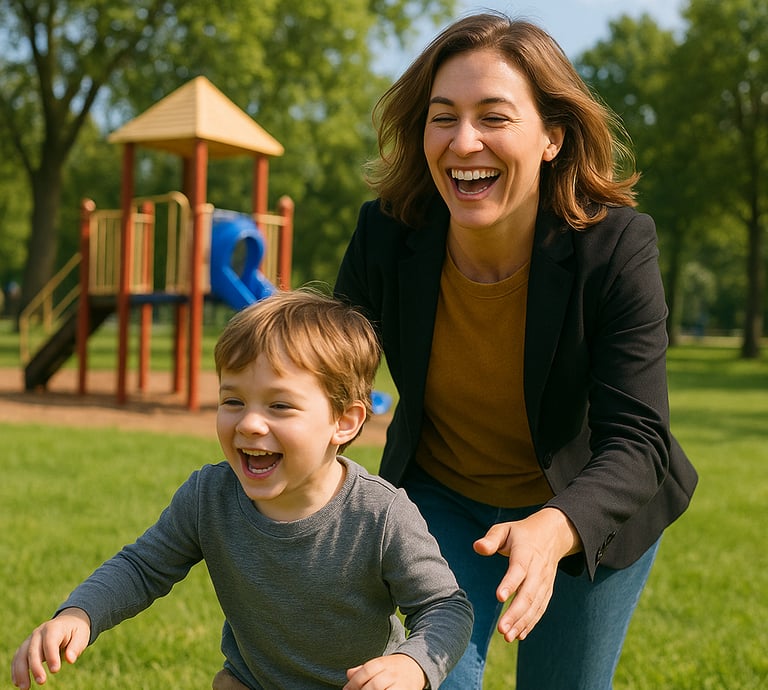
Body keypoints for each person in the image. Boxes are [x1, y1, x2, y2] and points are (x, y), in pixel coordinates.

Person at [334, 12, 698, 690]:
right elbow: (324, 366)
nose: (463, 141)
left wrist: (557, 525)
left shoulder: (616, 248)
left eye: (494, 118)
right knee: (428, 680)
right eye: (443, 117)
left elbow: (641, 440)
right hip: (442, 501)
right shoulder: (388, 232)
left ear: (551, 138)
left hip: (585, 511)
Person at [11, 289, 473, 690]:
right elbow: (142, 567)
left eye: (279, 405)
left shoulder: (380, 514)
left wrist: (411, 665)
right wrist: (79, 614)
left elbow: (445, 607)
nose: (250, 423)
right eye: (233, 400)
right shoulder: (208, 496)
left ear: (344, 421)